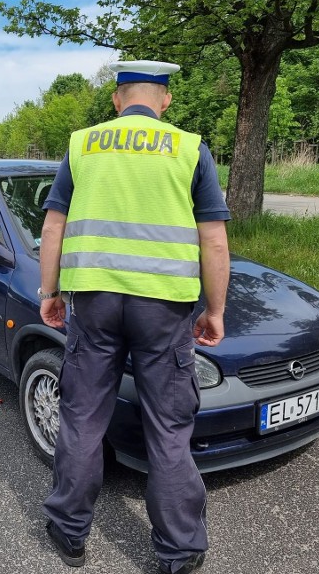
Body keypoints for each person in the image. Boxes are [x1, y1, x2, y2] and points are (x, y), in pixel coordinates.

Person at [37, 60, 231, 574]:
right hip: (163, 307)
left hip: (95, 302)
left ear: (117, 100)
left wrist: (49, 292)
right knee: (168, 428)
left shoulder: (83, 144)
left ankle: (69, 531)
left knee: (82, 417)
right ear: (164, 101)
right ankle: (179, 550)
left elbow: (53, 226)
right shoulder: (190, 148)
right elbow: (213, 237)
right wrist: (215, 310)